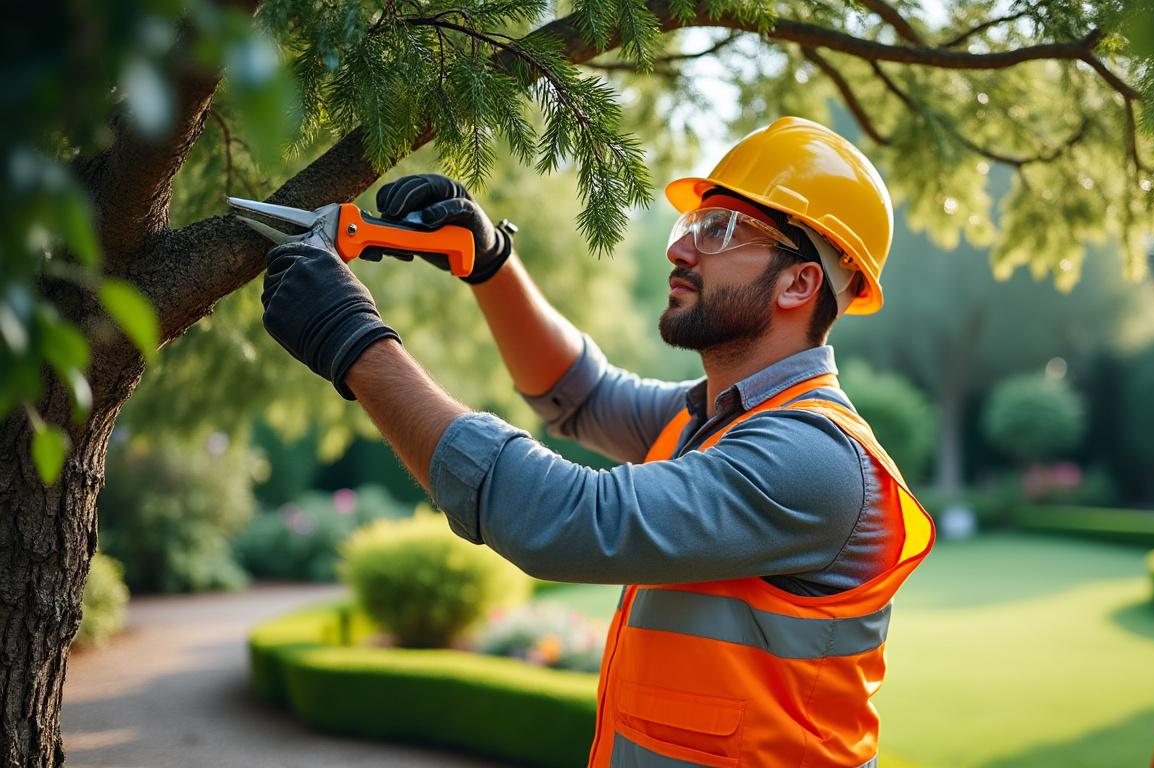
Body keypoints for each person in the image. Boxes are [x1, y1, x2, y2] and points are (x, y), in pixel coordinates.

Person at [259, 116, 935, 767]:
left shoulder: (813, 458)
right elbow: (576, 393)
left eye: (720, 229)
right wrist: (491, 264)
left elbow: (565, 521)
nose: (679, 248)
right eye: (690, 224)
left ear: (799, 282)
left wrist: (354, 342)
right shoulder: (715, 419)